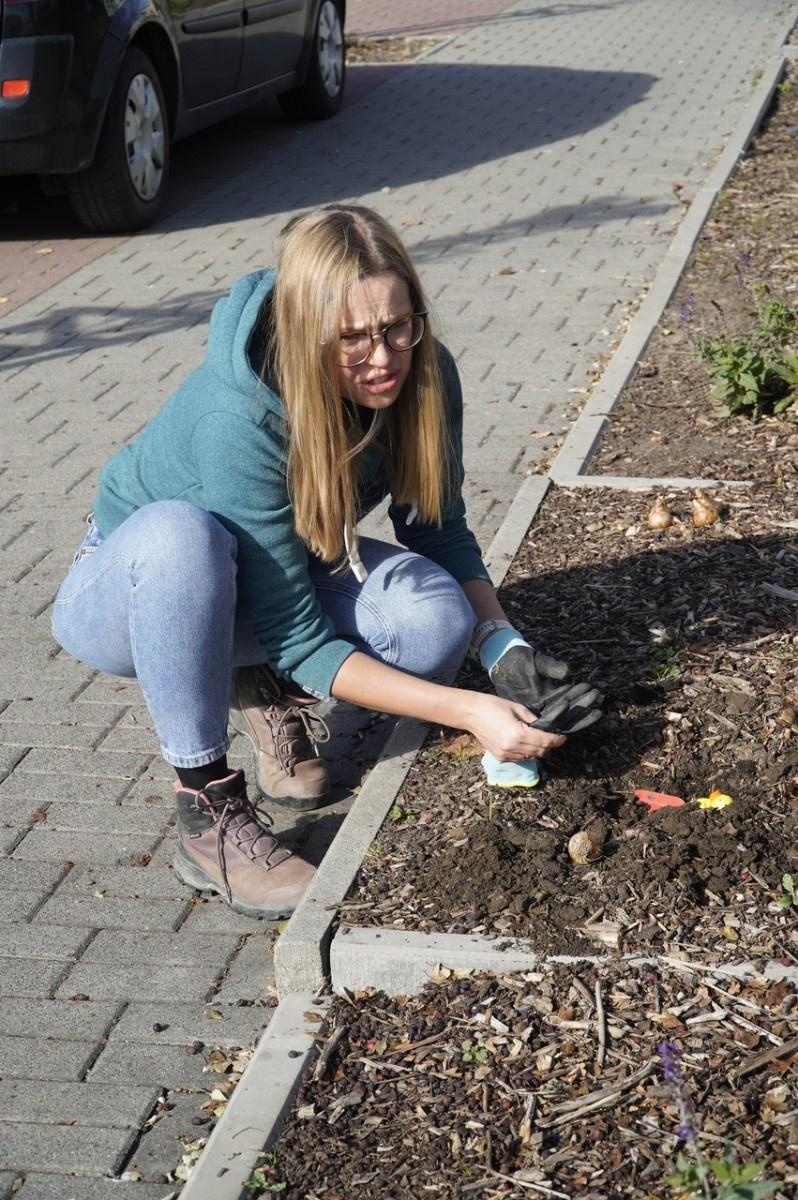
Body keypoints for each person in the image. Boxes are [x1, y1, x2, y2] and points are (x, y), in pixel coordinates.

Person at [52, 205, 601, 922]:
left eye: (397, 326)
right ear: (309, 333)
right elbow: (300, 633)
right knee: (180, 537)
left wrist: (499, 642)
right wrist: (472, 712)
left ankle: (258, 684)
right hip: (131, 594)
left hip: (270, 573)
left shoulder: (423, 372)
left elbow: (438, 528)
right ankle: (205, 806)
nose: (383, 359)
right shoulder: (240, 416)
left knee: (435, 618)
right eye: (352, 338)